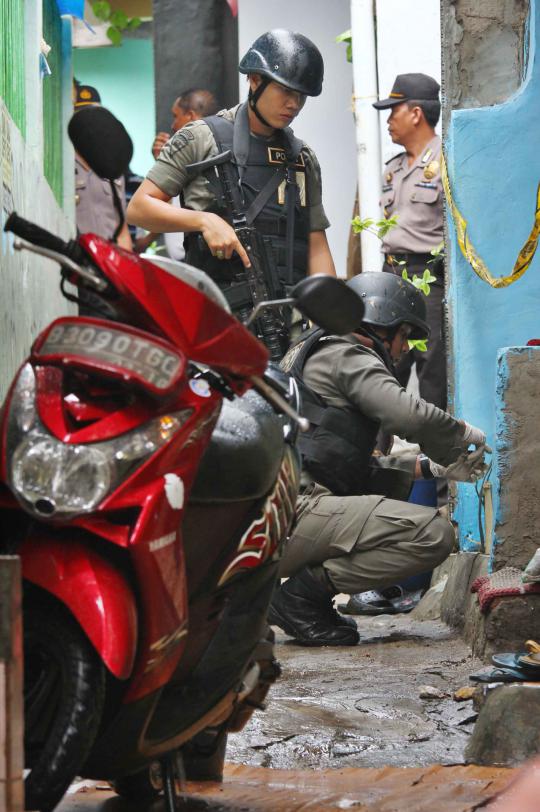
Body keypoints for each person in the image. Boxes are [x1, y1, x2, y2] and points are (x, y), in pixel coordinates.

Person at [269, 272, 489, 646]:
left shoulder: (311, 350)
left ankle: (301, 597)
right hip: (293, 514)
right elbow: (408, 415)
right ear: (381, 323)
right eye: (404, 335)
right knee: (432, 534)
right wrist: (460, 437)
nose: (404, 349)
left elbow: (334, 463)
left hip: (279, 513)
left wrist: (427, 467)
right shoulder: (348, 352)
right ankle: (300, 598)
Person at [127, 29, 336, 339]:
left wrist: (330, 323)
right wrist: (203, 220)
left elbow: (316, 244)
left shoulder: (302, 158)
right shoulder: (199, 137)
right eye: (284, 91)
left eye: (301, 95)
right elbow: (138, 209)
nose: (293, 103)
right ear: (254, 80)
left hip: (289, 325)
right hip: (215, 318)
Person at [373, 73, 445, 410]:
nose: (389, 120)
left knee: (431, 365)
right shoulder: (394, 168)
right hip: (391, 275)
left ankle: (438, 457)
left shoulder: (447, 159)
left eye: (394, 111)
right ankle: (373, 452)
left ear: (416, 113)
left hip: (428, 276)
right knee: (384, 362)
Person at [137, 89, 220, 259]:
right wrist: (164, 166)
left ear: (190, 116)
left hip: (204, 261)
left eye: (176, 116)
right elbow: (168, 208)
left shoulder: (213, 155)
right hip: (188, 260)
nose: (173, 125)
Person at [73, 81, 133, 251]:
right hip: (77, 263)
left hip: (109, 262)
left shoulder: (111, 165)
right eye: (79, 114)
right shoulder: (64, 165)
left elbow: (122, 230)